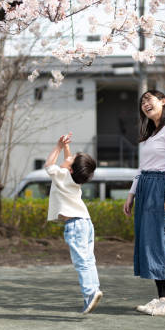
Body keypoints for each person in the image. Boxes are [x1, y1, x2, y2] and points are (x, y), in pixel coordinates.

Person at [123, 90, 165, 317]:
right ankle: (162, 300)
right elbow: (142, 168)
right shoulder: (150, 134)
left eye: (149, 99)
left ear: (163, 102)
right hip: (146, 188)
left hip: (161, 188)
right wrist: (132, 193)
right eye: (142, 101)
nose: (145, 103)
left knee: (157, 244)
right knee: (148, 244)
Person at [45, 132, 103, 314]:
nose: (67, 157)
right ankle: (93, 292)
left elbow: (48, 165)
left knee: (81, 262)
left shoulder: (61, 175)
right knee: (89, 260)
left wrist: (58, 146)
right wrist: (67, 148)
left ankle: (90, 292)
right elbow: (69, 162)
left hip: (75, 225)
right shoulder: (72, 178)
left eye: (70, 159)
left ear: (70, 169)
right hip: (86, 222)